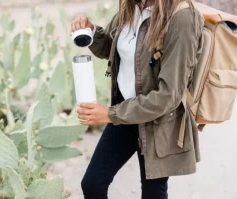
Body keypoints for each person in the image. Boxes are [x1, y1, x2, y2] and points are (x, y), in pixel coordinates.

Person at [71, 0, 204, 198]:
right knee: (93, 183)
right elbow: (114, 49)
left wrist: (110, 113)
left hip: (158, 123)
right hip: (125, 114)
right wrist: (92, 32)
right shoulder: (130, 7)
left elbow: (169, 96)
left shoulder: (182, 17)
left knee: (152, 192)